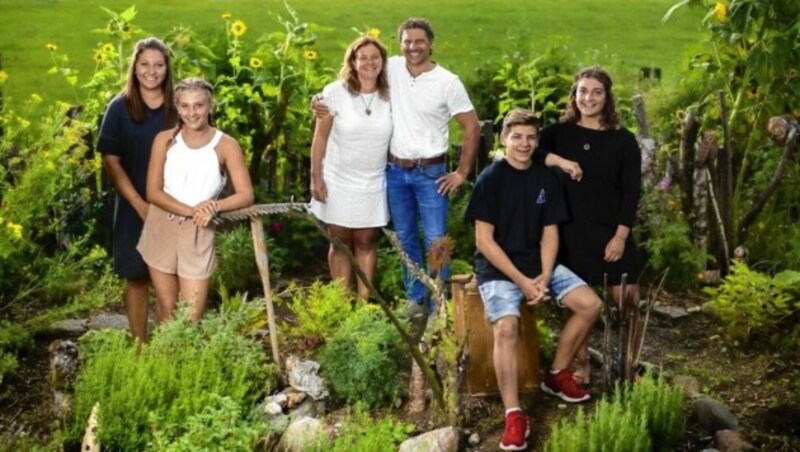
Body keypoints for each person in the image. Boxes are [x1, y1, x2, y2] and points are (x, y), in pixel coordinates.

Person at [314, 18, 480, 314]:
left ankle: (440, 307)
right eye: (407, 41)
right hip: (394, 172)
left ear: (431, 44)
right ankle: (416, 299)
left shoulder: (447, 82)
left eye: (419, 41)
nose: (413, 47)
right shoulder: (390, 68)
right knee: (404, 239)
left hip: (431, 174)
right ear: (399, 44)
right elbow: (354, 74)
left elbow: (472, 127)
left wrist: (462, 172)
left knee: (436, 240)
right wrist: (318, 101)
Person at [465, 109, 601, 451]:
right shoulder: (490, 180)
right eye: (517, 137)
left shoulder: (546, 179)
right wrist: (524, 282)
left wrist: (542, 275)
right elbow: (484, 242)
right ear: (503, 140)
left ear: (537, 141)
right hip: (499, 270)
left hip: (539, 265)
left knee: (590, 304)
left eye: (530, 137)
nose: (524, 144)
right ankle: (514, 414)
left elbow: (549, 233)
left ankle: (556, 374)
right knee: (506, 328)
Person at [537, 66, 643, 385]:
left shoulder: (623, 141)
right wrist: (561, 162)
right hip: (571, 232)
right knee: (578, 305)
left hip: (611, 230)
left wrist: (621, 236)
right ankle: (582, 366)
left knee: (628, 298)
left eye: (597, 92)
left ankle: (630, 365)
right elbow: (531, 151)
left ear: (607, 97)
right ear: (574, 94)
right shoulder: (559, 133)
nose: (589, 98)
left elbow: (631, 191)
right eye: (583, 91)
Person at [137, 77, 254, 322]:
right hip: (161, 226)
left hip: (199, 230)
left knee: (190, 316)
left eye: (198, 105)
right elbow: (153, 192)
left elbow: (246, 194)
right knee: (167, 306)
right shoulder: (165, 141)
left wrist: (214, 206)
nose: (192, 112)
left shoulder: (226, 145)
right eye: (185, 106)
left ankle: (186, 358)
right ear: (177, 109)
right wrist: (190, 210)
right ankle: (161, 359)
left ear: (210, 106)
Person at [97, 37, 177, 342]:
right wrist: (140, 205)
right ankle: (140, 347)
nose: (151, 71)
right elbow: (112, 162)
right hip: (132, 205)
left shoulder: (176, 107)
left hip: (173, 205)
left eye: (158, 65)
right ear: (135, 67)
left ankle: (169, 346)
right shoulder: (119, 108)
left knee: (169, 278)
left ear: (167, 69)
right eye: (145, 64)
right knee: (137, 276)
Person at [309, 36, 392, 299]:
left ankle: (363, 304)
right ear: (353, 62)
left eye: (375, 57)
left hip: (373, 180)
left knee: (366, 240)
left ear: (383, 62)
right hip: (338, 178)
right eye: (363, 57)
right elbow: (320, 138)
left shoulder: (391, 94)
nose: (369, 62)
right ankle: (341, 304)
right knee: (340, 240)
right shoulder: (335, 92)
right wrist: (316, 178)